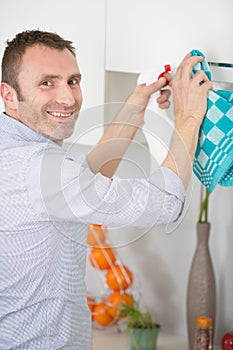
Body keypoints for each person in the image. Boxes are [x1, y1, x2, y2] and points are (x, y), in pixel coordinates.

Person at [0, 30, 212, 349]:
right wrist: (190, 115)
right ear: (9, 94)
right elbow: (166, 202)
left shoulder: (15, 149)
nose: (69, 98)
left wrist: (134, 109)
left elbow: (78, 183)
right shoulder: (37, 165)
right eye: (47, 82)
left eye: (73, 80)